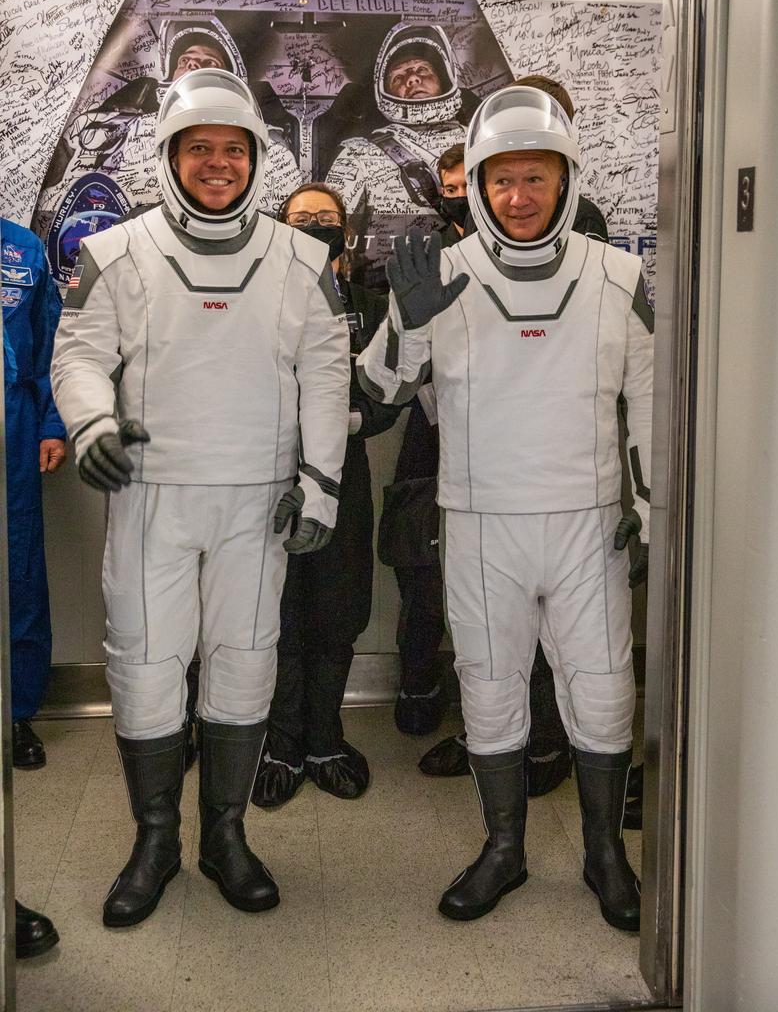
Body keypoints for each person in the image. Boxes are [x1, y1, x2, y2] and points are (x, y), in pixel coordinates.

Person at [50, 68, 350, 927]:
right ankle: (154, 840)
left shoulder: (301, 257)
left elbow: (327, 375)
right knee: (144, 665)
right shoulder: (116, 252)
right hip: (154, 496)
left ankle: (224, 835)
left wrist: (321, 485)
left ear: (255, 159)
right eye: (199, 149)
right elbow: (76, 357)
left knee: (243, 661)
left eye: (232, 149)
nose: (216, 164)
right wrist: (92, 426)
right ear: (170, 158)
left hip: (259, 502)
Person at [357, 85, 652, 930]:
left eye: (535, 178)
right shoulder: (439, 277)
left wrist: (648, 504)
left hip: (587, 519)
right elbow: (376, 399)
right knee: (488, 690)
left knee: (599, 692)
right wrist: (405, 324)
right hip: (480, 521)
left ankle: (605, 856)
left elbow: (653, 403)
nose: (517, 197)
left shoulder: (618, 276)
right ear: (475, 185)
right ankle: (503, 849)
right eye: (501, 180)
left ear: (564, 180)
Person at [251, 183, 400, 807]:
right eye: (301, 219)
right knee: (279, 611)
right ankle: (281, 743)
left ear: (347, 232)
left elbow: (395, 387)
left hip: (347, 475)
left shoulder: (372, 299)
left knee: (338, 610)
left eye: (326, 219)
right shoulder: (263, 297)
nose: (314, 227)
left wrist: (348, 421)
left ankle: (325, 738)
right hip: (273, 477)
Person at [33, 16, 301, 277]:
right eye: (185, 61)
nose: (194, 67)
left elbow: (284, 230)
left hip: (233, 265)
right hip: (131, 265)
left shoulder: (272, 153)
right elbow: (50, 192)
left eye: (208, 63)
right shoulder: (100, 126)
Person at [386, 144, 466, 738]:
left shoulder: (569, 238)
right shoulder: (428, 249)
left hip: (509, 437)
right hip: (431, 426)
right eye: (450, 185)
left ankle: (489, 720)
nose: (459, 194)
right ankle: (419, 685)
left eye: (469, 183)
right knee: (419, 564)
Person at [325, 21, 475, 287]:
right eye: (399, 77)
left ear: (443, 76)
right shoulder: (358, 155)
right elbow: (329, 235)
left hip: (475, 284)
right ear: (385, 90)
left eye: (422, 70)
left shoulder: (482, 141)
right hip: (389, 294)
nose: (413, 79)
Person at [2, 218, 66, 769]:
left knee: (17, 570)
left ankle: (16, 715)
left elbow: (52, 344)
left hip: (12, 421)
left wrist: (52, 424)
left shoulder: (21, 249)